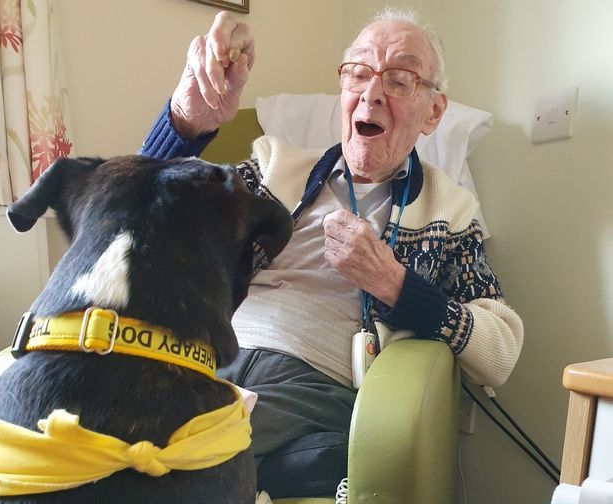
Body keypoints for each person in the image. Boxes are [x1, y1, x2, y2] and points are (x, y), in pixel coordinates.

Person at [140, 7, 523, 479]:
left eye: (400, 79)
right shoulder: (276, 168)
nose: (372, 92)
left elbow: (500, 350)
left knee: (167, 451)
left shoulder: (449, 212)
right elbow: (142, 217)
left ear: (433, 112)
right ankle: (272, 474)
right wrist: (186, 122)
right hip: (211, 354)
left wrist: (393, 283)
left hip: (314, 383)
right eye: (358, 73)